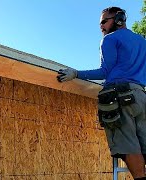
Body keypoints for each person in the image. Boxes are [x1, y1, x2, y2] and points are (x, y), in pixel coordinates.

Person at [57, 7, 146, 180]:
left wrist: (76, 74)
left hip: (121, 96)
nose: (102, 27)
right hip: (141, 96)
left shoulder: (110, 40)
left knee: (128, 145)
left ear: (119, 19)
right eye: (100, 23)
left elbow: (105, 71)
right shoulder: (142, 42)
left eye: (105, 21)